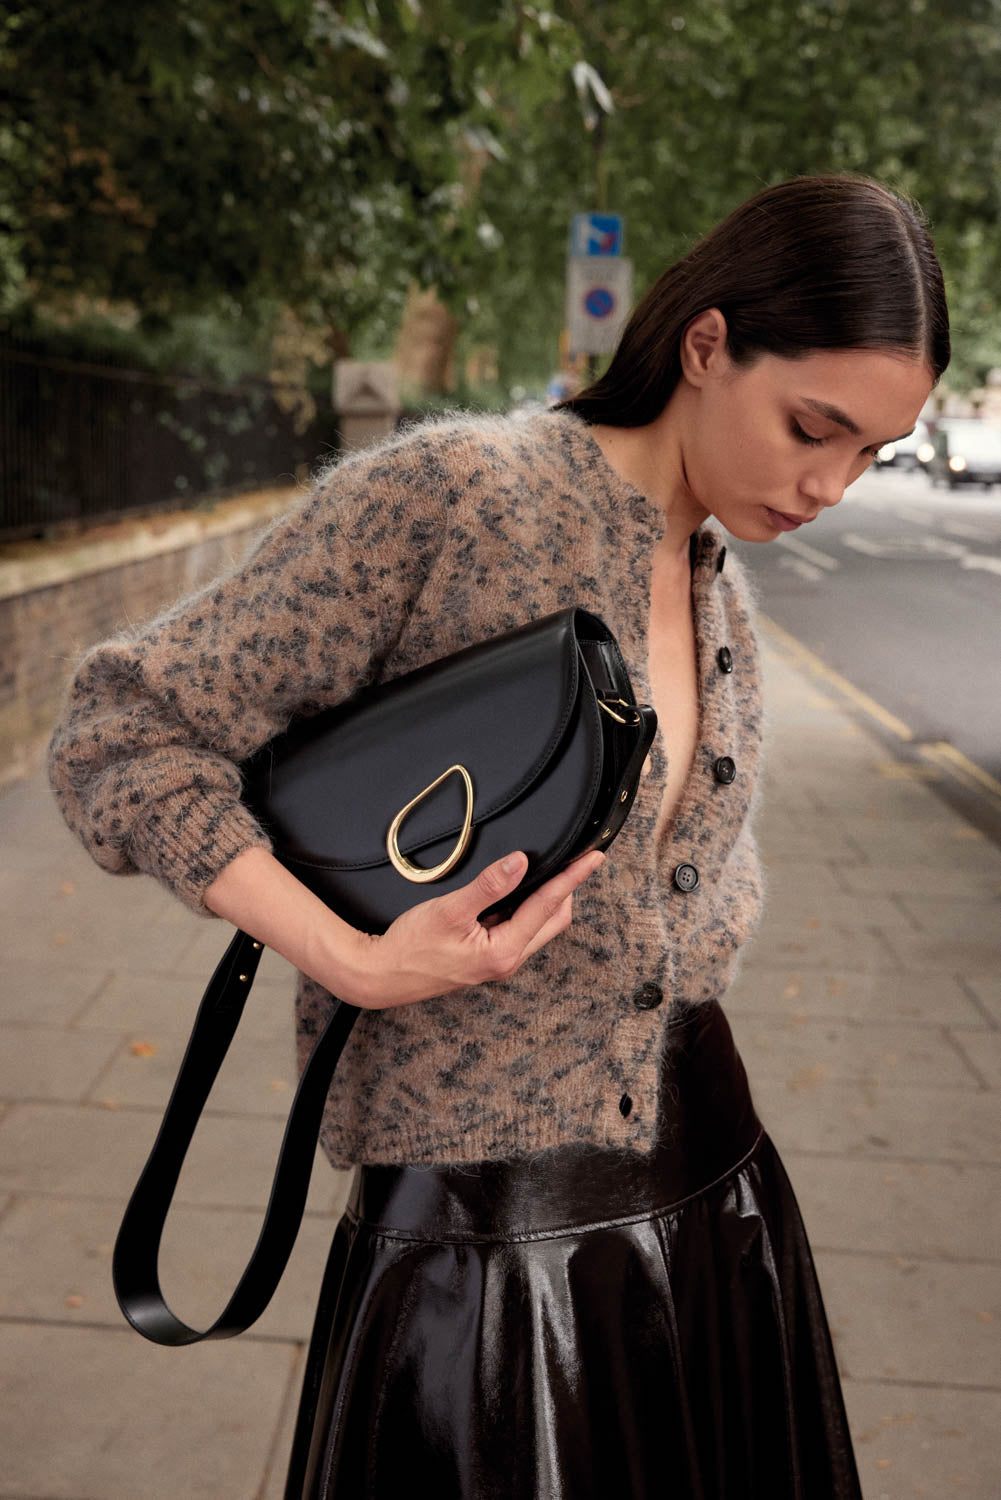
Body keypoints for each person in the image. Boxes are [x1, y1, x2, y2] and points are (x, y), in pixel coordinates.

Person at [47, 172, 948, 1499]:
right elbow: (119, 731)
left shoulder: (722, 589)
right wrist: (346, 959)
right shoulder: (456, 494)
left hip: (717, 1197)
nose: (831, 483)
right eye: (812, 425)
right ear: (705, 345)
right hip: (481, 1242)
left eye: (869, 453)